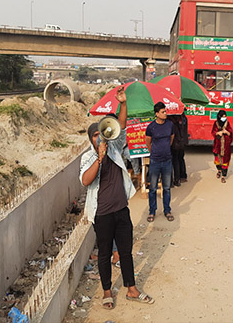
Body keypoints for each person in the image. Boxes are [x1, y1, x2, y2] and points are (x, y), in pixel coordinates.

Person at [80, 87, 154, 309]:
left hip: (121, 210)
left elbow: (120, 125)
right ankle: (106, 291)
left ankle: (131, 288)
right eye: (94, 135)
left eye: (99, 133)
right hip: (102, 215)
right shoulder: (88, 158)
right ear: (90, 139)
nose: (98, 137)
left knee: (125, 252)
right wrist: (98, 160)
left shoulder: (113, 148)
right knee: (104, 255)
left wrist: (123, 103)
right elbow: (85, 180)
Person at [145, 102, 175, 223]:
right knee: (152, 188)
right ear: (156, 114)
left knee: (166, 188)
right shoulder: (151, 127)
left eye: (165, 111)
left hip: (167, 160)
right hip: (155, 161)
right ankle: (152, 211)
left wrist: (165, 149)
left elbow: (171, 138)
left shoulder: (170, 125)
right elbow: (148, 142)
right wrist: (155, 153)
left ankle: (167, 210)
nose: (165, 113)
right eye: (163, 112)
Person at [211, 109, 233, 183]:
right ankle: (219, 171)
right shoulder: (216, 123)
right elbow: (213, 132)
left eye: (225, 116)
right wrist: (218, 133)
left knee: (225, 161)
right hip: (218, 145)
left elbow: (231, 132)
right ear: (219, 116)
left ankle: (224, 176)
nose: (224, 118)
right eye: (223, 117)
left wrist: (227, 132)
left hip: (226, 146)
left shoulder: (228, 123)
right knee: (217, 160)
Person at [170, 113, 188, 187]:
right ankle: (182, 176)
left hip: (175, 143)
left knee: (174, 160)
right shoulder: (183, 118)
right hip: (182, 142)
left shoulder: (172, 121)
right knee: (180, 159)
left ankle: (176, 180)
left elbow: (173, 134)